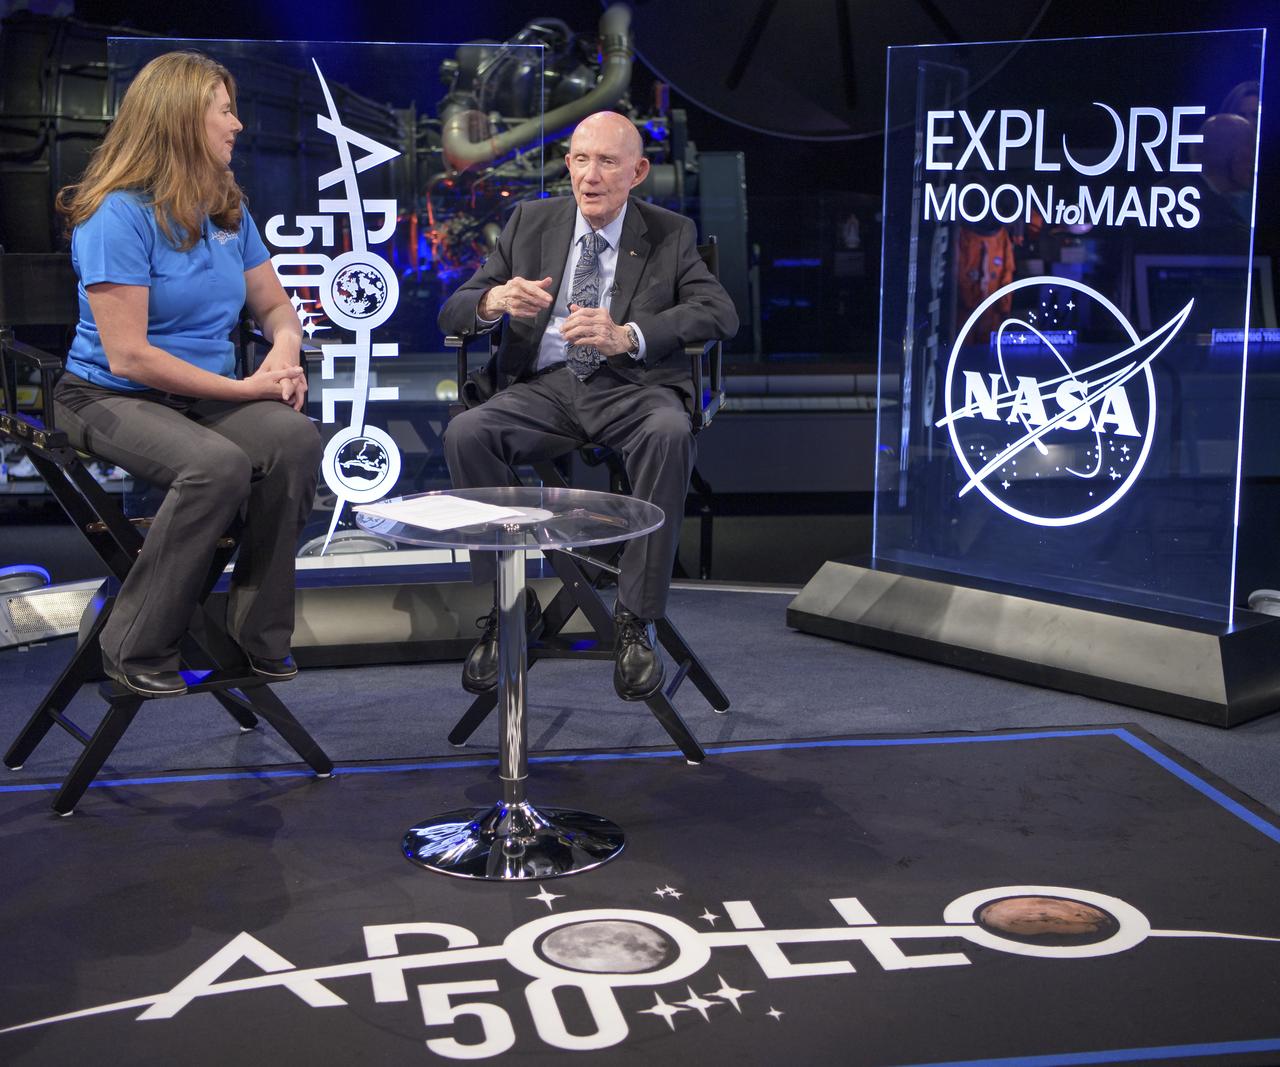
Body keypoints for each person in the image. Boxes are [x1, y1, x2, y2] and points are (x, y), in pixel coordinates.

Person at [440, 110, 738, 701]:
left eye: (606, 162)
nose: (590, 175)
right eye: (580, 160)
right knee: (467, 432)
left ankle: (634, 619)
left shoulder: (668, 232)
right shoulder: (530, 221)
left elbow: (719, 313)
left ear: (638, 171)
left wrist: (629, 334)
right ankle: (509, 605)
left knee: (669, 431)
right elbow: (454, 312)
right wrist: (496, 300)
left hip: (632, 387)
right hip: (545, 387)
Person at [52, 51, 320, 698]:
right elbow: (130, 357)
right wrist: (247, 388)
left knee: (295, 440)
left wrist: (285, 349)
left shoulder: (224, 206)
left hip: (198, 396)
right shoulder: (116, 213)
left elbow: (277, 306)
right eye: (225, 111)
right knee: (216, 467)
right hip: (108, 394)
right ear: (181, 121)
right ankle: (131, 642)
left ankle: (257, 635)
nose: (238, 125)